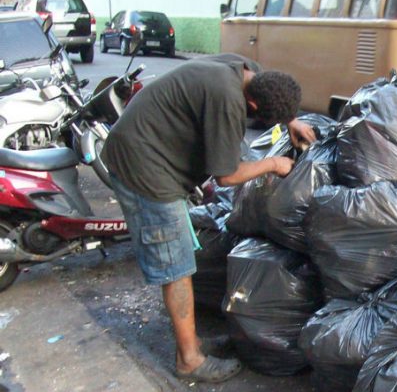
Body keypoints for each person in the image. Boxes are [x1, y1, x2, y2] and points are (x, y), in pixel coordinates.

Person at [101, 53, 316, 383]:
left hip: (148, 138)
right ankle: (190, 359)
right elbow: (226, 176)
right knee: (176, 264)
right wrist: (275, 165)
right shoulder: (227, 101)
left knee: (183, 255)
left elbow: (268, 98)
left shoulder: (248, 72)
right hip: (143, 165)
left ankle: (193, 340)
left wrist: (291, 121)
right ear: (253, 106)